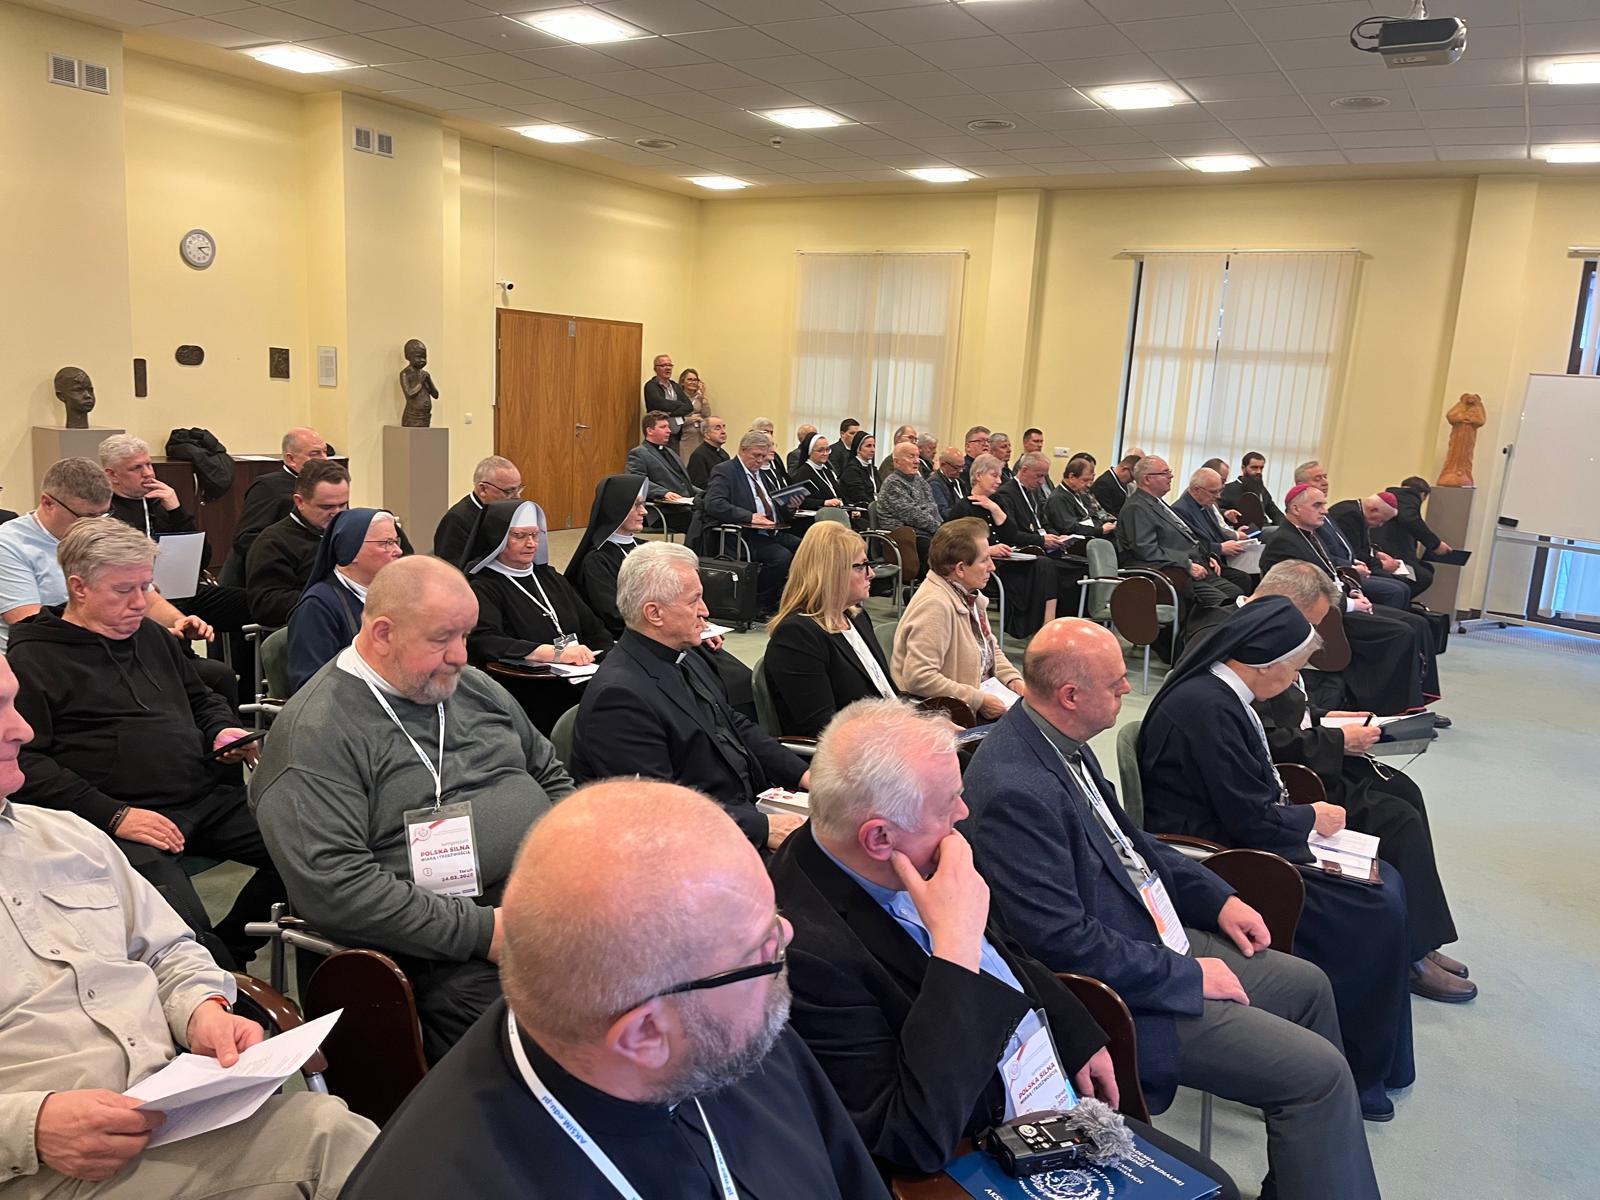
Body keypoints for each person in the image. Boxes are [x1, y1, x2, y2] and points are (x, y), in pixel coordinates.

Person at [964, 619, 1381, 1199]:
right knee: (1320, 1075)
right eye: (1115, 682)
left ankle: (1305, 1174)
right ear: (1071, 695)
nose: (1127, 689)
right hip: (1123, 992)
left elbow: (1133, 843)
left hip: (1150, 934)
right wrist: (1188, 975)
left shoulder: (1058, 742)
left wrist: (1219, 897)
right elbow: (1058, 942)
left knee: (1310, 986)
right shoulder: (1015, 788)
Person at [768, 699, 1238, 1194]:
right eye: (949, 804)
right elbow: (908, 1137)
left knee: (1215, 1187)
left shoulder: (911, 853)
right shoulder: (808, 953)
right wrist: (955, 949)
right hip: (973, 1142)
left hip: (1044, 1086)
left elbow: (1008, 952)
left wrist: (1074, 1028)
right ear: (880, 837)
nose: (964, 813)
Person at [341, 780, 890, 1200]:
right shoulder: (441, 1179)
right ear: (645, 1034)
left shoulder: (734, 1026)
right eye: (761, 947)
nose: (787, 937)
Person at [0, 659, 377, 1199]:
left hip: (166, 1115)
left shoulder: (66, 837)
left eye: (14, 703)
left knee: (339, 1133)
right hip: (36, 1170)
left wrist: (202, 1010)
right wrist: (29, 1129)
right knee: (334, 1144)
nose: (23, 729)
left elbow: (166, 950)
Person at [250, 555, 575, 1063]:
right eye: (443, 638)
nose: (461, 656)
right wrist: (484, 932)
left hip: (540, 899)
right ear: (383, 633)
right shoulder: (315, 736)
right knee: (567, 1032)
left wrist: (569, 863)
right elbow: (337, 890)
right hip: (432, 946)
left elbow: (549, 774)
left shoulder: (473, 687)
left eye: (466, 636)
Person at [1137, 596, 1415, 1119]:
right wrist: (1310, 818)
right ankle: (1355, 1070)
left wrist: (1298, 816)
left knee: (1388, 884)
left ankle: (1377, 1063)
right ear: (1264, 664)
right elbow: (1248, 820)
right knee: (1373, 908)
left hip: (1237, 835)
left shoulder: (1222, 694)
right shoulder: (1208, 706)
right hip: (1221, 858)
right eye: (1293, 667)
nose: (1293, 680)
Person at [8, 521, 281, 970]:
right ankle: (220, 977)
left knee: (308, 854)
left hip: (202, 797)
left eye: (146, 587)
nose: (140, 602)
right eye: (123, 590)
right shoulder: (34, 657)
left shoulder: (150, 634)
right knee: (184, 931)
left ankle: (234, 952)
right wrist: (115, 815)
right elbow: (28, 764)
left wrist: (221, 730)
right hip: (118, 814)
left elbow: (201, 697)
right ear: (79, 587)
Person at [1249, 563, 1474, 1003]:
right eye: (1311, 622)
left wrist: (1332, 721)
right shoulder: (1243, 647)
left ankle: (1420, 937)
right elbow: (1263, 740)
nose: (1312, 635)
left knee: (1405, 790)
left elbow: (1293, 712)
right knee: (1396, 819)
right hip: (1292, 776)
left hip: (1309, 750)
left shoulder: (1269, 636)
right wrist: (1336, 740)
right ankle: (1408, 956)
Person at [570, 543, 808, 852]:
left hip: (738, 811)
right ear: (654, 613)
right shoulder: (618, 698)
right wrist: (763, 827)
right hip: (697, 846)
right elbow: (658, 809)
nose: (705, 611)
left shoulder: (683, 655)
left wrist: (803, 774)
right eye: (694, 600)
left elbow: (732, 723)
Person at [0, 459, 208, 658]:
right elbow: (30, 623)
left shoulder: (102, 534)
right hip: (47, 656)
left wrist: (179, 621)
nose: (96, 525)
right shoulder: (9, 544)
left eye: (104, 515)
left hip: (111, 647)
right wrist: (143, 634)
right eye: (87, 517)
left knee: (212, 674)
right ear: (48, 503)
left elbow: (146, 596)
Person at [1259, 484, 1439, 710]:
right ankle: (1390, 707)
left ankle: (1419, 700)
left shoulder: (1309, 535)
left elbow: (1330, 574)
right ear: (1295, 509)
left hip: (1337, 603)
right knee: (1401, 632)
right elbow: (1304, 593)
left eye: (1324, 504)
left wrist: (1352, 588)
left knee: (1418, 623)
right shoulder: (1285, 540)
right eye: (1317, 505)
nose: (1325, 510)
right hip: (1321, 616)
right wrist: (1351, 604)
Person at [100, 434, 254, 640]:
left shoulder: (161, 502)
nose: (148, 473)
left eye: (149, 464)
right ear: (112, 475)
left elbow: (201, 560)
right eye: (137, 468)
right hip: (138, 596)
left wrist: (177, 511)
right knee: (176, 635)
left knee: (258, 603)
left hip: (182, 590)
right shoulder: (104, 512)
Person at [764, 523, 896, 737]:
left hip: (890, 735)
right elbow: (823, 728)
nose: (871, 574)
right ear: (832, 573)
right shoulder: (797, 636)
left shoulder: (857, 618)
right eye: (861, 566)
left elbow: (885, 692)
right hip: (859, 749)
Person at [891, 519, 1023, 721]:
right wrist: (978, 700)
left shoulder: (969, 596)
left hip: (975, 698)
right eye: (985, 560)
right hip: (947, 715)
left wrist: (1013, 680)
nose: (992, 567)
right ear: (960, 569)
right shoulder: (935, 605)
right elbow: (919, 677)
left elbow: (990, 650)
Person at [463, 499, 612, 667]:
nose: (531, 544)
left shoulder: (550, 577)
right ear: (497, 538)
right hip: (525, 676)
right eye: (519, 536)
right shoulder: (482, 585)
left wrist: (607, 660)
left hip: (579, 671)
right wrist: (553, 653)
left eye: (535, 535)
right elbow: (484, 641)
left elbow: (594, 628)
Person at [1115, 456, 1243, 629]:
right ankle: (1196, 642)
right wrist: (1186, 564)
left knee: (1236, 594)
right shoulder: (1137, 507)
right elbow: (1147, 550)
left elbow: (1184, 537)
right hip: (1171, 572)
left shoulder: (1158, 503)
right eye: (1164, 473)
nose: (1171, 476)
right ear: (1147, 479)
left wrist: (1207, 555)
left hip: (1193, 565)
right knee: (1223, 605)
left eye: (1169, 472)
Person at [286, 508, 404, 693]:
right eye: (386, 543)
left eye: (396, 542)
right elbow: (311, 685)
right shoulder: (318, 606)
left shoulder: (398, 597)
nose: (398, 551)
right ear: (352, 550)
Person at [948, 453, 1062, 635]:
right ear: (978, 476)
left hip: (1005, 561)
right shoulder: (963, 507)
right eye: (994, 476)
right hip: (984, 566)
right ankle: (1035, 626)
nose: (999, 481)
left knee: (1044, 564)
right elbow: (954, 544)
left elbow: (1011, 534)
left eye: (1000, 476)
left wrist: (994, 508)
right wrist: (988, 550)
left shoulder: (998, 501)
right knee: (1040, 568)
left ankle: (1048, 623)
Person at [692, 431, 801, 614]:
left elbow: (774, 505)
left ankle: (784, 598)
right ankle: (760, 603)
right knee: (780, 557)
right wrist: (749, 516)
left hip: (772, 531)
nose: (760, 461)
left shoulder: (763, 475)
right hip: (745, 535)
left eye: (763, 457)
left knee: (805, 548)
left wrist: (790, 506)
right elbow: (714, 503)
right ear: (743, 450)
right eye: (756, 455)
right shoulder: (726, 471)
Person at [245, 459, 351, 628]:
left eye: (343, 505)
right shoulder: (273, 542)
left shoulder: (354, 530)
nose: (337, 513)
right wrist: (333, 597)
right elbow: (266, 606)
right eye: (326, 507)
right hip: (310, 626)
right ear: (300, 502)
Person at [1292, 463, 1411, 610]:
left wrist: (1359, 561)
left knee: (1402, 587)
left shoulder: (1323, 514)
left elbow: (1343, 546)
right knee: (1396, 590)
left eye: (1325, 477)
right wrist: (1352, 567)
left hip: (1347, 569)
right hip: (1336, 576)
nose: (1325, 482)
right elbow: (1322, 556)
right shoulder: (1311, 520)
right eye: (1318, 479)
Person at [564, 474, 650, 638]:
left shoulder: (648, 548)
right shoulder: (597, 560)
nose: (644, 511)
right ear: (617, 508)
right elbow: (613, 616)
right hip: (629, 637)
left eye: (643, 504)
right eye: (636, 505)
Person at [230, 426, 329, 564]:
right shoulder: (268, 487)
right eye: (315, 454)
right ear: (291, 459)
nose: (325, 459)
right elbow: (246, 539)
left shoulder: (328, 486)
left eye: (325, 452)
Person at [1172, 467, 1256, 593]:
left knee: (1253, 573)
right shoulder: (1180, 510)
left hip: (1216, 558)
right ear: (1196, 489)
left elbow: (1217, 533)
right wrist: (1220, 548)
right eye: (1213, 492)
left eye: (1219, 491)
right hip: (1203, 562)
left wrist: (1237, 540)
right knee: (1241, 580)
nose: (1218, 496)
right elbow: (1191, 544)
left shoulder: (1206, 505)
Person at [434, 455, 523, 567]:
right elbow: (450, 568)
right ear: (483, 489)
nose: (517, 496)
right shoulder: (456, 520)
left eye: (519, 489)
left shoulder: (510, 511)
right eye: (509, 491)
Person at [1373, 476, 1447, 595]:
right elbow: (1410, 519)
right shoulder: (1408, 498)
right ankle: (1398, 599)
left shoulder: (1392, 498)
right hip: (1391, 555)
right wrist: (1436, 544)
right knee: (1423, 577)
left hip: (1380, 551)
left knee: (1425, 568)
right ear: (1423, 494)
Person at [626, 411, 697, 534]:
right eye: (663, 427)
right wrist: (664, 492)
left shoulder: (671, 452)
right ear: (650, 431)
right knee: (700, 523)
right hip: (663, 511)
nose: (669, 431)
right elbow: (638, 481)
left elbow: (685, 483)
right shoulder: (639, 453)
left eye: (668, 427)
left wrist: (707, 493)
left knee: (714, 517)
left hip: (684, 507)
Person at [876, 440, 941, 565]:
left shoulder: (919, 480)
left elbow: (932, 507)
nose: (917, 461)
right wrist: (939, 528)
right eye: (911, 457)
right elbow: (913, 515)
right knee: (939, 549)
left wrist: (942, 527)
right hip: (901, 538)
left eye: (917, 456)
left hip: (924, 532)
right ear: (897, 462)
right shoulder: (893, 483)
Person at [1044, 452, 1117, 540]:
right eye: (1085, 480)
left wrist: (1107, 524)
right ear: (1071, 477)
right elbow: (1069, 528)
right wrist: (1100, 530)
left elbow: (1094, 515)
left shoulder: (1080, 493)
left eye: (1090, 480)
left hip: (1091, 535)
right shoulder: (1058, 498)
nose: (1089, 484)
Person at [1221, 451, 1287, 527]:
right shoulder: (1228, 489)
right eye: (1254, 467)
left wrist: (1285, 527)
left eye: (1261, 468)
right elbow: (1215, 509)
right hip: (1243, 529)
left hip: (1265, 528)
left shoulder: (1261, 489)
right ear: (1243, 468)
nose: (1259, 471)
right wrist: (1225, 512)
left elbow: (1275, 513)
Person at [642, 353, 692, 449]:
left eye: (669, 365)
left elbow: (689, 407)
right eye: (663, 365)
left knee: (673, 457)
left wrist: (670, 413)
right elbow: (661, 404)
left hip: (676, 434)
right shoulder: (651, 386)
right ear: (655, 369)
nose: (668, 368)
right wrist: (680, 404)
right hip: (657, 433)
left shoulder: (675, 386)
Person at [792, 432, 847, 510]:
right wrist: (824, 502)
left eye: (827, 449)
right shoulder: (803, 473)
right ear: (810, 451)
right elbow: (800, 501)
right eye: (820, 450)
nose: (825, 453)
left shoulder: (827, 470)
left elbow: (838, 494)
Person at [675, 366, 712, 462]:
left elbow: (707, 415)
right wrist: (692, 419)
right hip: (685, 436)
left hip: (700, 435)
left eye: (695, 380)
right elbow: (675, 421)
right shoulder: (678, 397)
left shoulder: (699, 397)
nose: (693, 382)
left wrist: (703, 397)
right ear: (682, 382)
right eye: (690, 379)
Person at [837, 430, 880, 507]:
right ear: (858, 448)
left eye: (874, 446)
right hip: (859, 509)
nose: (873, 450)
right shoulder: (851, 470)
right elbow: (859, 496)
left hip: (875, 507)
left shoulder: (872, 469)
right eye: (868, 446)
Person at [686, 415, 730, 488]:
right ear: (707, 434)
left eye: (724, 427)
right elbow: (698, 485)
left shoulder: (724, 454)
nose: (723, 432)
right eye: (717, 428)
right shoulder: (699, 456)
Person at [928, 446, 965, 520]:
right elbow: (943, 513)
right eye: (956, 467)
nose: (961, 471)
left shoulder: (959, 481)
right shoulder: (934, 484)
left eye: (963, 467)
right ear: (943, 464)